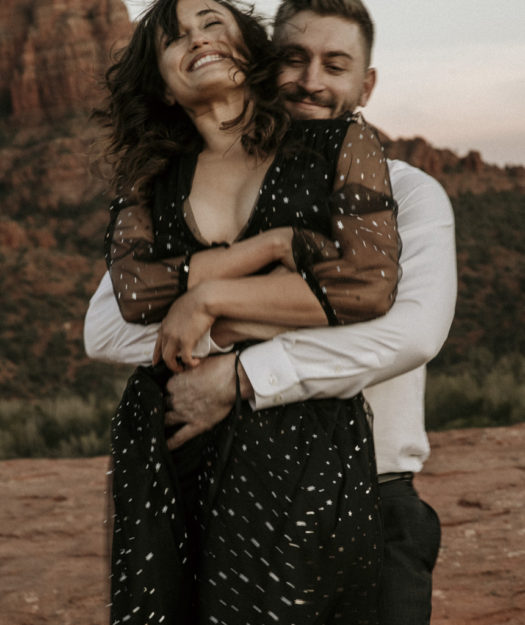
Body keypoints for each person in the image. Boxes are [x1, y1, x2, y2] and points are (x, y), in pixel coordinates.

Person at [85, 1, 456, 623]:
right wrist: (274, 278)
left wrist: (222, 339)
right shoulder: (175, 184)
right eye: (294, 58)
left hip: (370, 487)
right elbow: (109, 325)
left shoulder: (406, 189)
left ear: (365, 84)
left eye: (335, 65)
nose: (311, 81)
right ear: (263, 64)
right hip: (211, 478)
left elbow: (404, 330)